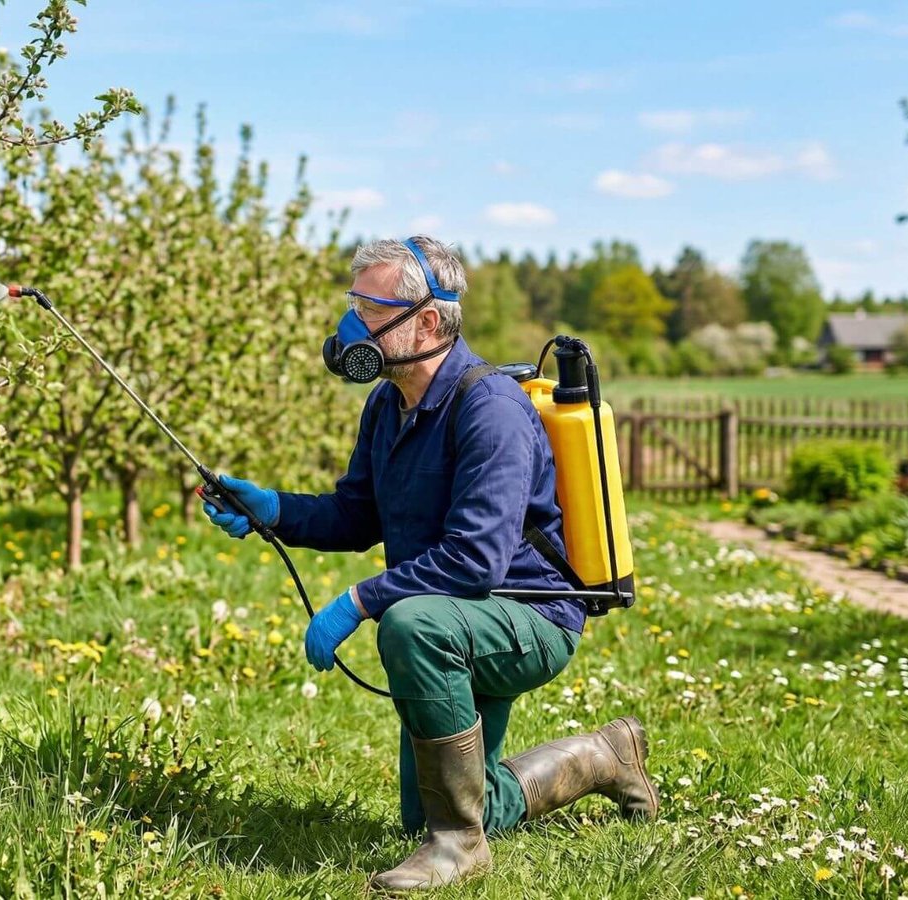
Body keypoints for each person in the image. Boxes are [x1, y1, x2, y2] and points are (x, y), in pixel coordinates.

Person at [203, 236, 657, 892]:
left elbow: (474, 561)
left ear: (425, 321)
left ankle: (459, 848)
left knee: (411, 627)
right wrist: (271, 509)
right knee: (441, 801)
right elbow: (357, 516)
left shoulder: (490, 410)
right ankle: (603, 756)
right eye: (353, 303)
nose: (351, 325)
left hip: (527, 617)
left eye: (369, 306)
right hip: (457, 616)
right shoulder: (387, 405)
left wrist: (358, 603)